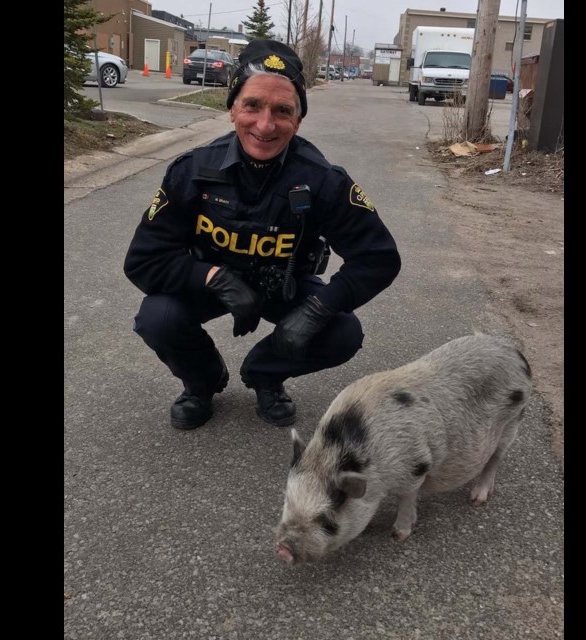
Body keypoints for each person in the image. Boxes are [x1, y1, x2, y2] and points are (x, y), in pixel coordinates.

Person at [123, 40, 401, 430]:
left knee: (342, 331)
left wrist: (317, 309)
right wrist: (212, 277)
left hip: (283, 286)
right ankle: (201, 381)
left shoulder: (323, 181)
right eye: (252, 105)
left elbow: (379, 258)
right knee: (158, 317)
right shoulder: (192, 171)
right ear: (233, 108)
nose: (265, 125)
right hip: (210, 283)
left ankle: (266, 374)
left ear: (299, 120)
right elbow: (144, 259)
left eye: (282, 111)